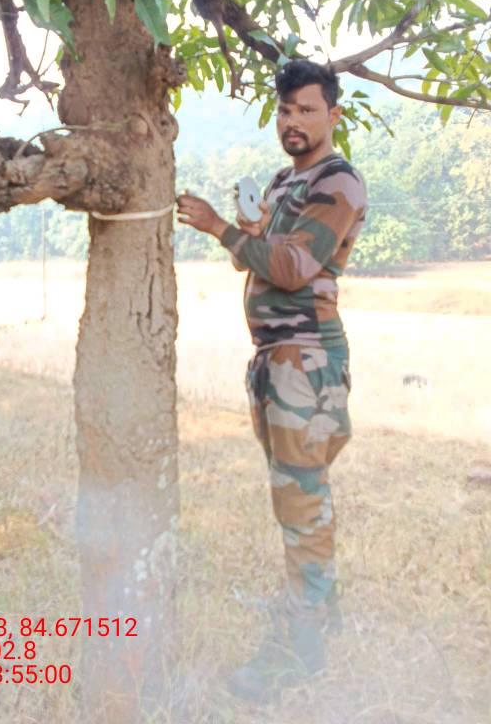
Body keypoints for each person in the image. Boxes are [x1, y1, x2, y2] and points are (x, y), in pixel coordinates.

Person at [176, 59, 367, 703]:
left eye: (307, 110)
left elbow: (289, 268)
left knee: (301, 502)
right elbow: (255, 259)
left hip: (305, 360)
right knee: (297, 494)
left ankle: (299, 650)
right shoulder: (287, 181)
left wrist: (221, 227)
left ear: (332, 115)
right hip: (277, 358)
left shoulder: (338, 182)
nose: (293, 121)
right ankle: (319, 610)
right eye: (286, 110)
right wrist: (250, 229)